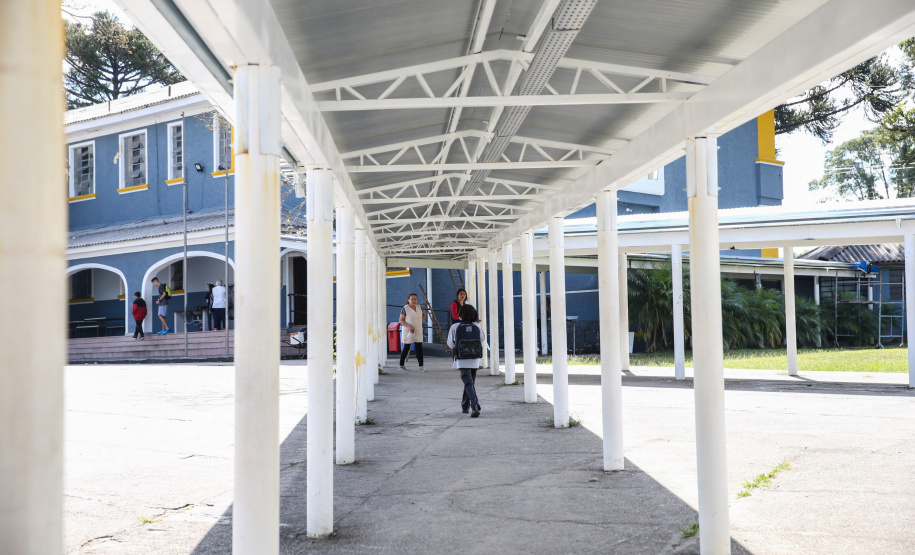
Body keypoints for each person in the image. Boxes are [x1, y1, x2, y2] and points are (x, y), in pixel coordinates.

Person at [446, 304, 486, 418]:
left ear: (460, 314)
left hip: (462, 359)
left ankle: (474, 406)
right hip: (474, 359)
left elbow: (450, 344)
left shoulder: (455, 326)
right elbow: (482, 339)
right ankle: (465, 406)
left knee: (468, 383)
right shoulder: (477, 325)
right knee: (470, 383)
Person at [398, 293, 426, 371]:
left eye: (415, 299)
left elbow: (422, 315)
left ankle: (421, 366)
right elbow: (401, 320)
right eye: (412, 299)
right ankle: (401, 365)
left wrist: (422, 318)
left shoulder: (419, 307)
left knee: (419, 348)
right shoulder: (405, 308)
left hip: (418, 329)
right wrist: (409, 326)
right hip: (408, 330)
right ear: (408, 300)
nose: (414, 301)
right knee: (406, 347)